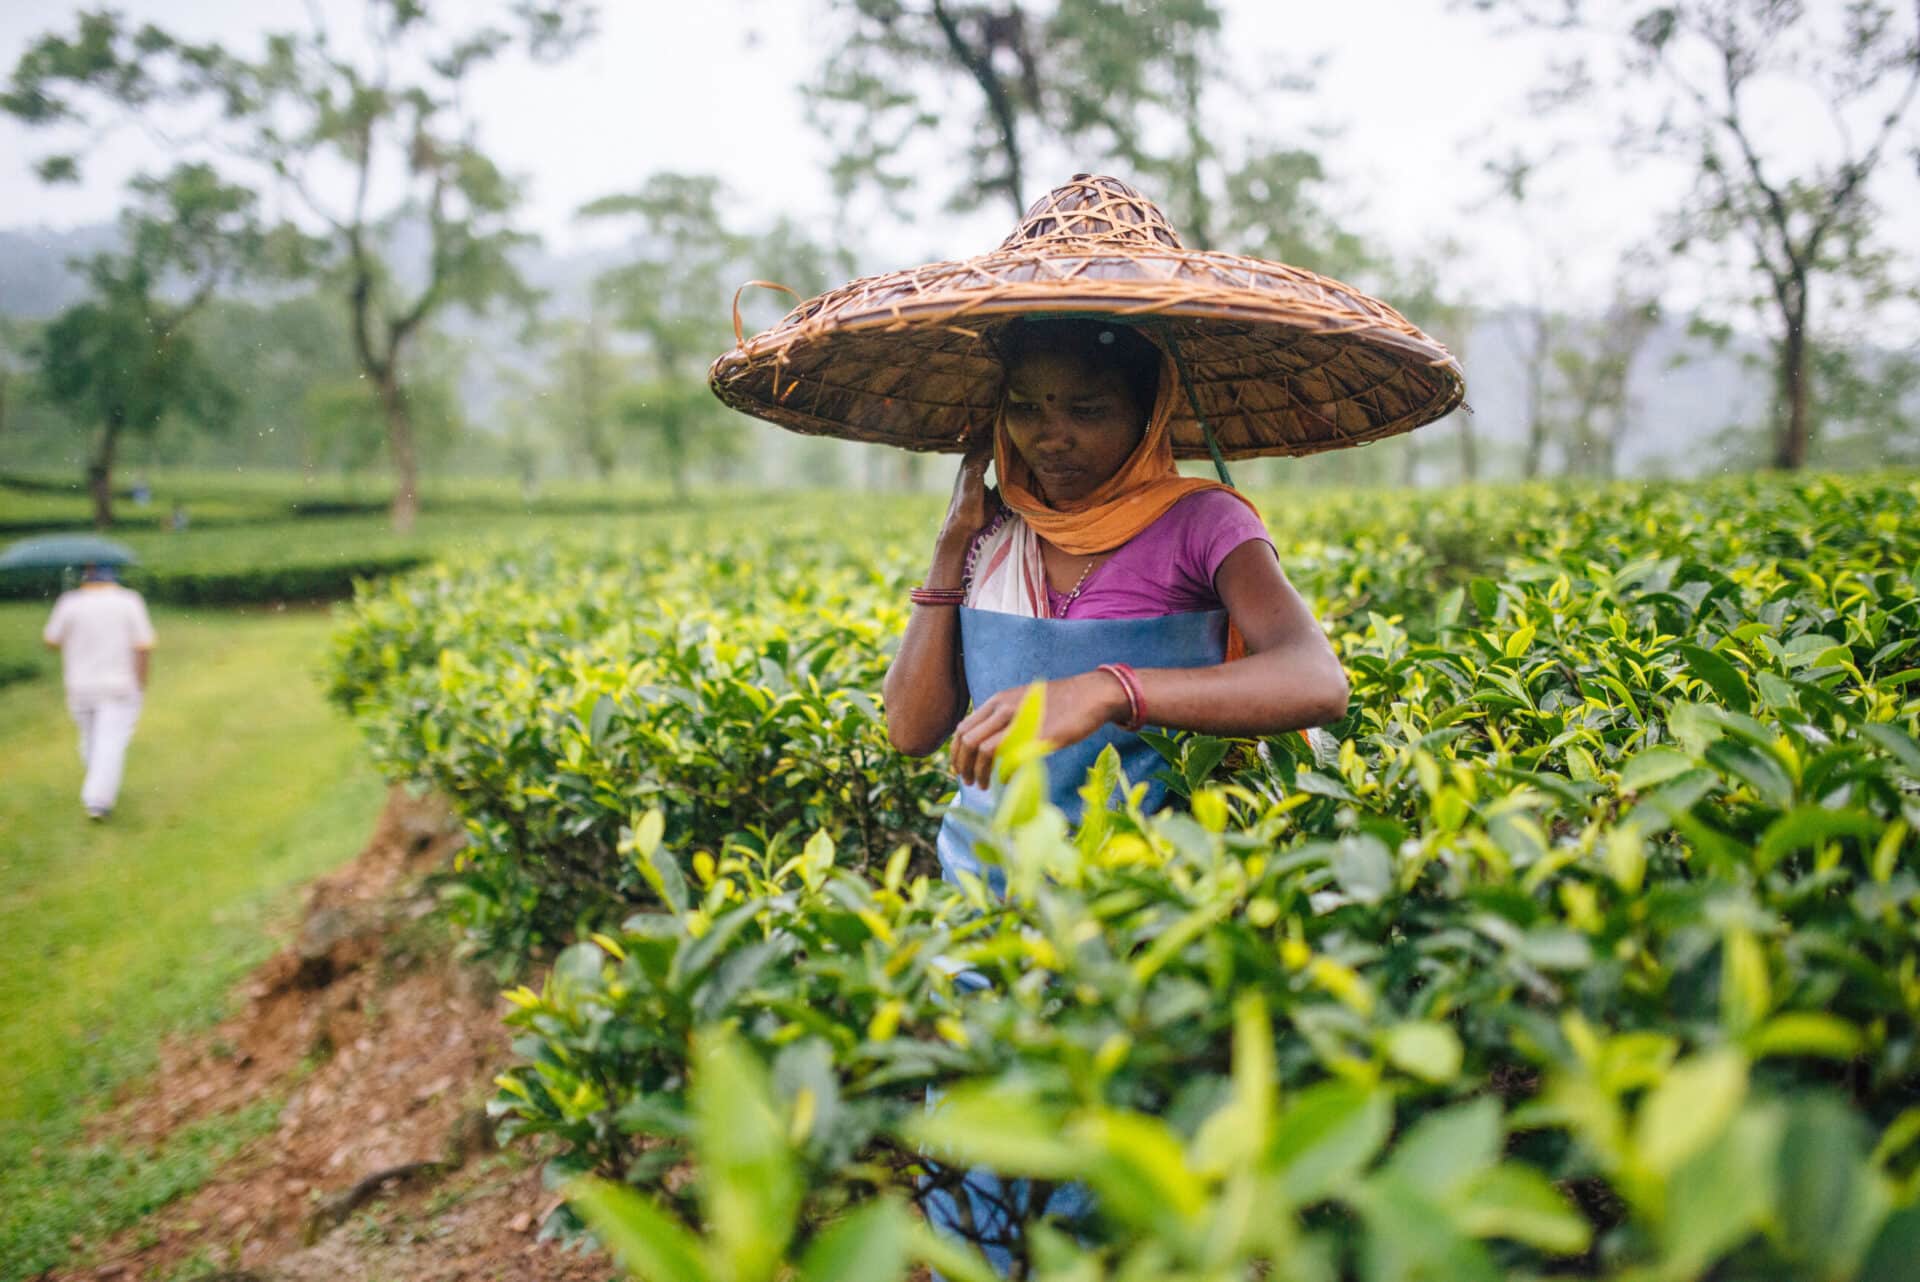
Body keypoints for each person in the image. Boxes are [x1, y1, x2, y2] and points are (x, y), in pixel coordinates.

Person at [41, 563, 156, 819]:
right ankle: (98, 799)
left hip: (79, 685)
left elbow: (51, 640)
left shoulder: (70, 602)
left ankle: (98, 787)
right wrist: (141, 683)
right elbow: (144, 645)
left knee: (91, 740)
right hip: (119, 684)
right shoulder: (129, 601)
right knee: (109, 742)